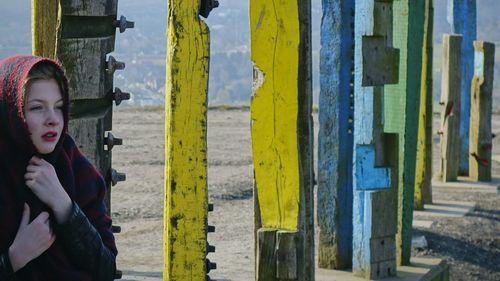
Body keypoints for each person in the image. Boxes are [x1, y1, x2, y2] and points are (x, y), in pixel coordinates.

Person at [0, 55, 117, 280]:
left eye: (59, 107)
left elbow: (106, 269)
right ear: (11, 112)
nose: (53, 119)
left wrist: (63, 205)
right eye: (37, 108)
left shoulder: (76, 169)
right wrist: (15, 257)